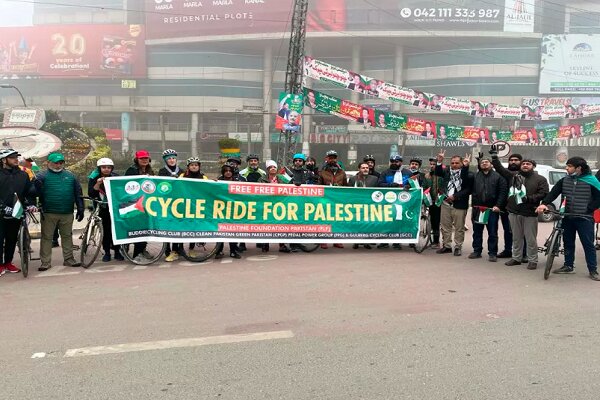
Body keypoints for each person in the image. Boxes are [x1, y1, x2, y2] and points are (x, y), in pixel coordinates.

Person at [536, 157, 600, 281]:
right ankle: (568, 266)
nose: (566, 168)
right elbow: (553, 193)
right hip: (567, 217)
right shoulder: (565, 180)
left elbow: (599, 198)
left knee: (588, 244)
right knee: (568, 242)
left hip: (584, 218)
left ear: (579, 168)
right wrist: (544, 203)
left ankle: (593, 270)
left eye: (569, 166)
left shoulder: (592, 181)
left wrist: (589, 208)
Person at [493, 154, 548, 270]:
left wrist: (529, 198)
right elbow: (500, 169)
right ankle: (516, 258)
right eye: (523, 164)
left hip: (529, 213)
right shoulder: (513, 176)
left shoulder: (540, 179)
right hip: (513, 211)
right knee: (516, 237)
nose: (525, 165)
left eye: (528, 164)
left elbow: (543, 194)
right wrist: (494, 158)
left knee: (530, 239)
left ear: (533, 166)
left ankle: (532, 260)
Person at [35, 152, 84, 271]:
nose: (58, 165)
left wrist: (81, 208)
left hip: (67, 212)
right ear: (48, 163)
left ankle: (69, 259)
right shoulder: (41, 176)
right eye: (55, 163)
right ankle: (45, 262)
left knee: (67, 236)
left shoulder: (71, 176)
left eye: (61, 162)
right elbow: (35, 192)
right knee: (47, 237)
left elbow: (78, 193)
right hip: (49, 212)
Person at [0, 148, 36, 276]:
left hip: (16, 212)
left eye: (16, 157)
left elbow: (29, 191)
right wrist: (3, 207)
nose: (16, 159)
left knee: (11, 239)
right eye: (12, 157)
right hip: (1, 213)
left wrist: (31, 204)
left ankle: (8, 263)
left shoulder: (23, 174)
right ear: (4, 160)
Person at [468, 157, 507, 262]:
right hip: (478, 209)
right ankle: (477, 251)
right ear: (479, 165)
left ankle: (493, 253)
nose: (484, 164)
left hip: (492, 209)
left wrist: (498, 205)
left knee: (493, 232)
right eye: (482, 162)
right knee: (477, 231)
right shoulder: (475, 176)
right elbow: (469, 188)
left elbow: (502, 193)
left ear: (491, 164)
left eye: (486, 162)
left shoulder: (498, 177)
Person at [434, 151, 473, 256]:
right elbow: (437, 172)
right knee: (445, 226)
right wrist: (439, 161)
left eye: (457, 163)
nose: (454, 165)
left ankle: (458, 246)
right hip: (445, 202)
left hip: (459, 204)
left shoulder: (468, 174)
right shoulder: (447, 171)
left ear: (461, 163)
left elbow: (468, 189)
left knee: (459, 227)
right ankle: (446, 246)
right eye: (452, 163)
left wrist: (455, 196)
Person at [88, 158, 124, 263]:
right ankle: (107, 252)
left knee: (116, 230)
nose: (106, 169)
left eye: (109, 167)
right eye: (104, 167)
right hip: (102, 208)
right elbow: (91, 193)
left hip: (115, 208)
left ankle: (117, 251)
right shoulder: (94, 177)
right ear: (99, 168)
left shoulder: (116, 177)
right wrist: (98, 183)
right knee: (106, 231)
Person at [491, 152, 524, 260]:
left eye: (516, 160)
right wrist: (495, 158)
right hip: (508, 207)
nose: (513, 162)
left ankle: (524, 253)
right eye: (511, 160)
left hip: (523, 208)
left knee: (522, 232)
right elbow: (500, 169)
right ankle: (508, 250)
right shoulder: (508, 174)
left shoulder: (526, 174)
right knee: (508, 230)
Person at [125, 150, 154, 263]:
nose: (144, 160)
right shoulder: (131, 170)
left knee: (145, 228)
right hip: (134, 203)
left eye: (146, 158)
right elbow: (125, 185)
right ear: (137, 159)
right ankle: (136, 253)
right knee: (137, 228)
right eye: (142, 158)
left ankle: (142, 250)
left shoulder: (150, 171)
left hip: (147, 203)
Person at [318, 150, 347, 249]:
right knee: (324, 220)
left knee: (337, 220)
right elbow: (318, 186)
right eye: (330, 158)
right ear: (326, 159)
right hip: (325, 200)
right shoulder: (322, 172)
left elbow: (346, 187)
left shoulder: (342, 172)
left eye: (334, 157)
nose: (332, 160)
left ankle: (336, 240)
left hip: (337, 200)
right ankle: (323, 241)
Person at [158, 149, 182, 262]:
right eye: (169, 159)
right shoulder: (162, 171)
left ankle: (176, 250)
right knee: (167, 227)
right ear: (165, 160)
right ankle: (167, 249)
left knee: (177, 227)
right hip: (166, 203)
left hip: (179, 203)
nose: (171, 160)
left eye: (173, 158)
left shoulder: (182, 171)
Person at [349, 162, 378, 250]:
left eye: (367, 168)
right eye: (363, 168)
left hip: (369, 205)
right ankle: (356, 242)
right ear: (359, 169)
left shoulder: (375, 179)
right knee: (357, 223)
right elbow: (348, 192)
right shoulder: (353, 179)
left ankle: (366, 242)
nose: (365, 169)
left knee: (367, 224)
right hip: (356, 205)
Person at [216, 163, 242, 259]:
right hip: (221, 210)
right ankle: (219, 251)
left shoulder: (237, 181)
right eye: (226, 171)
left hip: (233, 210)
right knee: (220, 231)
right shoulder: (219, 181)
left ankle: (233, 251)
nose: (228, 173)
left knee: (232, 231)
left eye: (229, 171)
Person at [424, 158, 443, 248]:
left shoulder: (442, 175)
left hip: (440, 201)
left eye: (434, 164)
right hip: (431, 202)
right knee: (433, 221)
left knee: (438, 222)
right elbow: (424, 187)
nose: (432, 166)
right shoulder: (427, 176)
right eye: (431, 164)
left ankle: (438, 241)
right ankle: (434, 241)